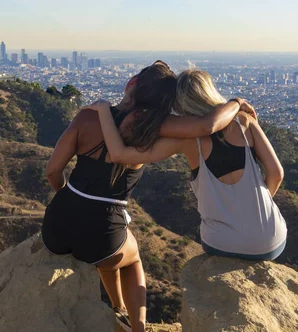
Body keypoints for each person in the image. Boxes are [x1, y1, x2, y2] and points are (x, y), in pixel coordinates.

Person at [41, 62, 252, 332]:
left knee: (112, 250)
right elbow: (207, 125)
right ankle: (137, 326)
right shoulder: (155, 126)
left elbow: (52, 171)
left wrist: (68, 199)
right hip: (102, 234)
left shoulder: (86, 117)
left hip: (56, 230)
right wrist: (235, 103)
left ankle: (118, 309)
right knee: (131, 256)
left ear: (132, 84)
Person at [87, 68, 287, 262]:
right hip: (271, 241)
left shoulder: (187, 140)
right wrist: (252, 210)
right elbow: (276, 173)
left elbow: (119, 154)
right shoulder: (245, 122)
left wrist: (104, 109)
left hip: (222, 243)